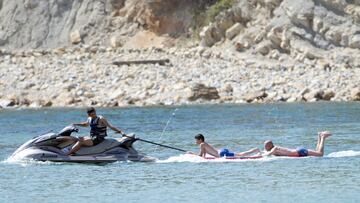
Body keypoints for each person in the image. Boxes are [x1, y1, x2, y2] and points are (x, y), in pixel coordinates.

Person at [263, 131, 332, 157]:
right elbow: (267, 152)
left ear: (269, 146)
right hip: (299, 151)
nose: (264, 147)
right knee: (317, 152)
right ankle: (319, 136)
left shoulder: (275, 149)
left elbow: (268, 154)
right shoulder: (274, 150)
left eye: (265, 146)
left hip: (300, 152)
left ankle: (323, 137)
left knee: (320, 154)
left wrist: (256, 157)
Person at [188, 134, 260, 158]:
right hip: (221, 151)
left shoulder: (202, 144)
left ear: (200, 140)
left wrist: (191, 153)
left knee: (241, 155)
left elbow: (200, 156)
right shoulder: (204, 144)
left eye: (196, 140)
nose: (196, 141)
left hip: (222, 154)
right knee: (239, 154)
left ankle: (255, 150)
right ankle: (255, 151)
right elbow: (204, 155)